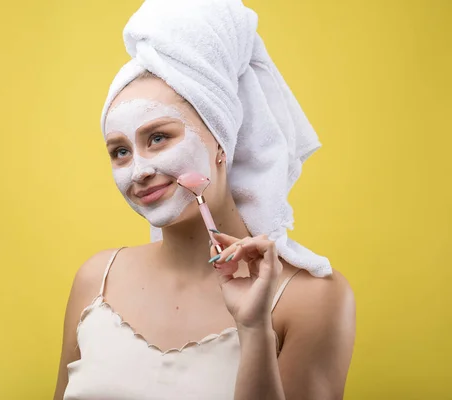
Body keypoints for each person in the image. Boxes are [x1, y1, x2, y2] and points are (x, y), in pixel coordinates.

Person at [54, 1, 355, 399]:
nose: (138, 171)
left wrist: (253, 332)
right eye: (120, 152)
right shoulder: (96, 280)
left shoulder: (311, 299)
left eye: (158, 138)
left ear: (220, 141)